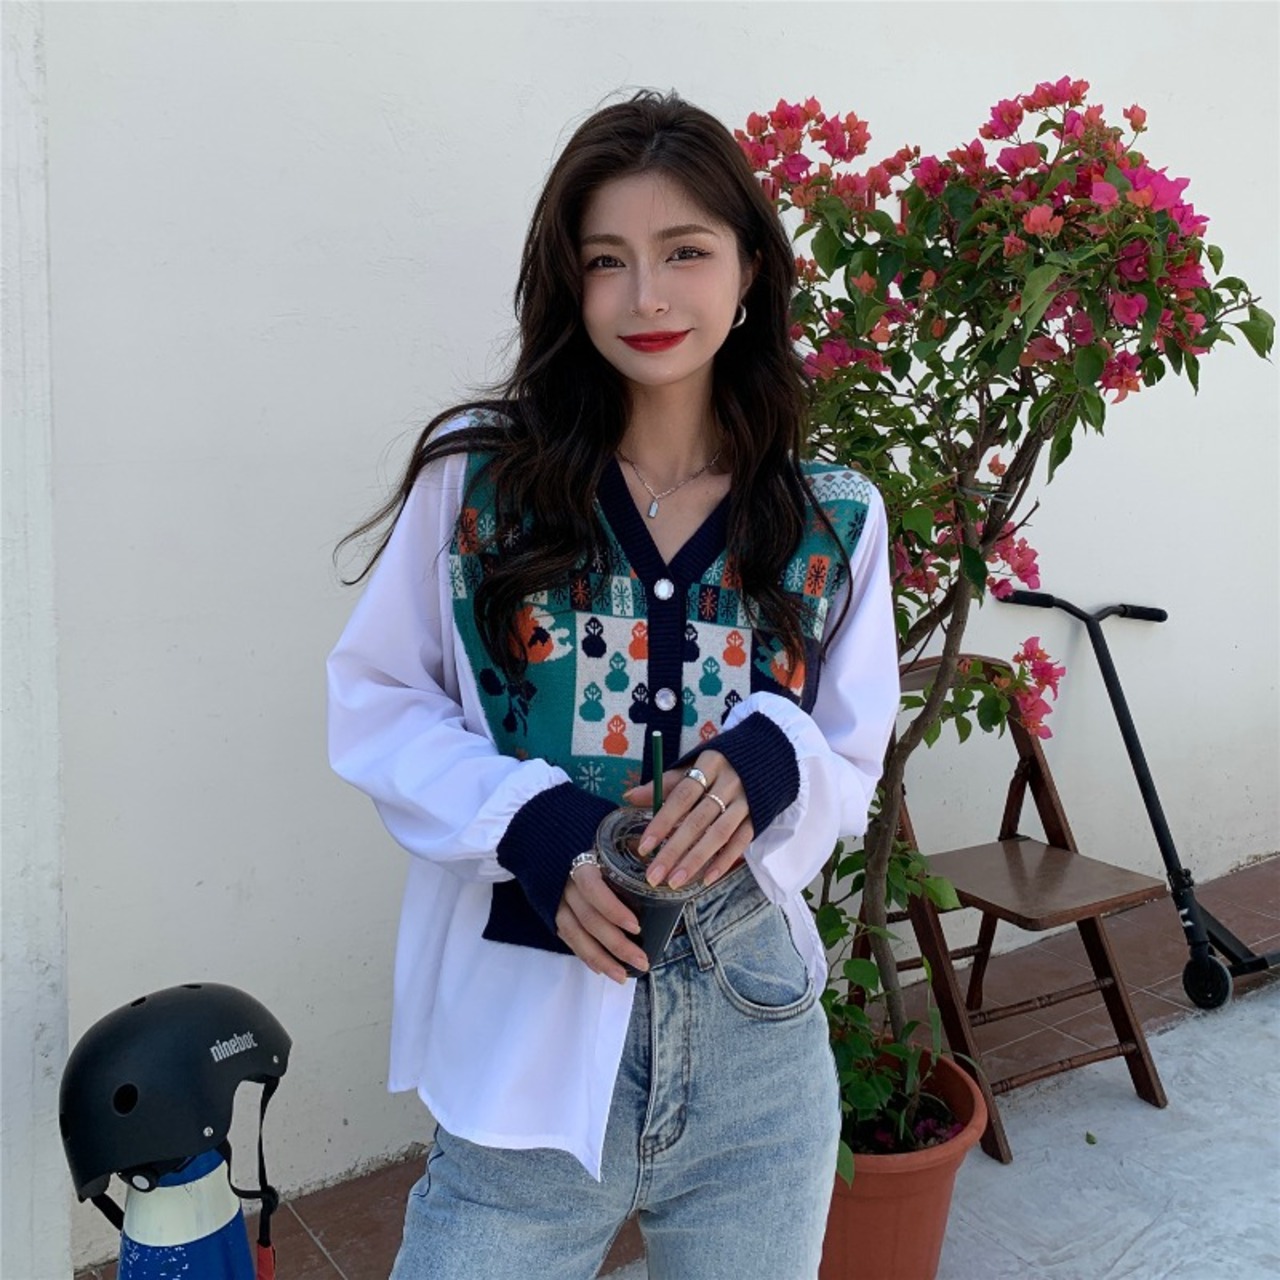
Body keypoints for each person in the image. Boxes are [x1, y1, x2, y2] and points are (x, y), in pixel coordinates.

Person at [327, 87, 899, 1280]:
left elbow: (851, 751)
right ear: (567, 281)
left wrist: (772, 753)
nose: (646, 297)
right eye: (606, 260)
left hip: (754, 1045)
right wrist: (530, 822)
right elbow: (377, 700)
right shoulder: (480, 484)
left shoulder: (831, 514)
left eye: (684, 251)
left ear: (749, 268)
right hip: (528, 1031)